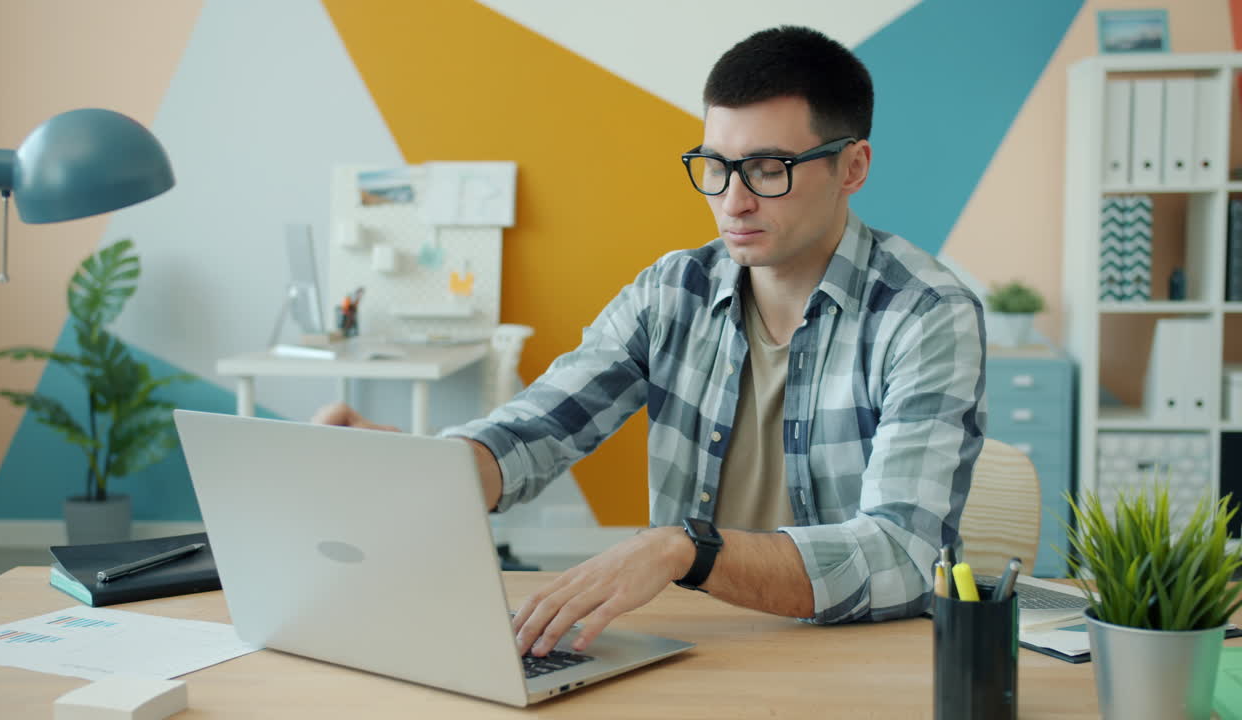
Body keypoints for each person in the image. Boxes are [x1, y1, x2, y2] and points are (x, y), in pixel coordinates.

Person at [313, 25, 986, 659]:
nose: (733, 201)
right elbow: (534, 431)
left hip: (854, 658)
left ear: (852, 167)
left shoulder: (925, 313)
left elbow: (903, 555)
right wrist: (417, 468)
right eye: (715, 166)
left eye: (768, 168)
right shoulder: (673, 291)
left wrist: (683, 549)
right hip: (695, 647)